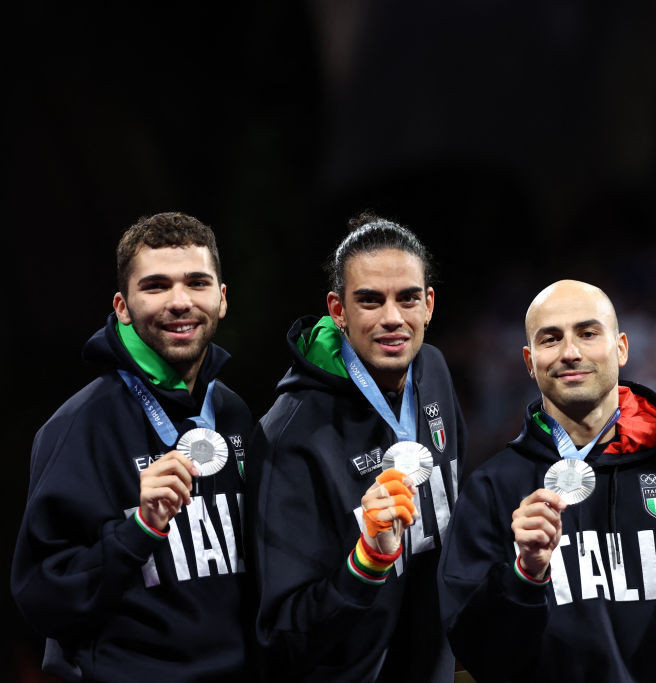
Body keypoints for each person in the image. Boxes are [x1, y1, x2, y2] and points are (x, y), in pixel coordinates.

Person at [438, 279, 656, 682]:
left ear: (622, 347)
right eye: (550, 339)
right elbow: (477, 656)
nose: (570, 353)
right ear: (528, 360)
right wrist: (525, 574)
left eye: (588, 333)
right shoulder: (492, 488)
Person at [11, 212, 254, 681]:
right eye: (157, 286)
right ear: (122, 306)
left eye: (197, 283)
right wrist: (138, 529)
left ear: (221, 299)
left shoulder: (234, 413)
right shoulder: (80, 426)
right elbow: (41, 597)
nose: (180, 302)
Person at [249, 213, 465, 681]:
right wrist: (366, 560)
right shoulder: (289, 437)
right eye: (370, 300)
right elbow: (281, 637)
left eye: (407, 298)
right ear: (338, 310)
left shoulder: (435, 372)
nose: (392, 318)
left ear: (428, 304)